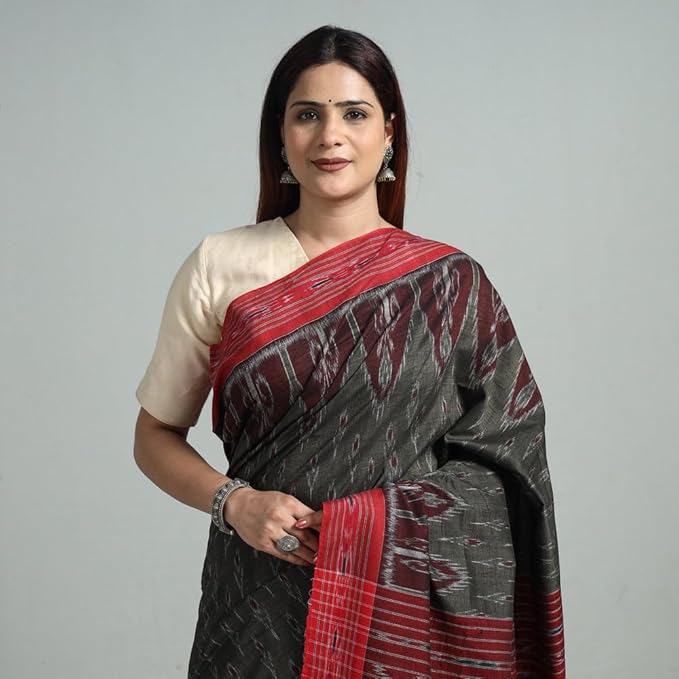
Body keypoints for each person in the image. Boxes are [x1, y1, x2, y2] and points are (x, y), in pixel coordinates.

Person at [133, 25, 565, 679]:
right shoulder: (220, 264)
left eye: (354, 114)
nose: (329, 135)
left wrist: (371, 525)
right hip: (254, 603)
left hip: (399, 617)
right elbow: (153, 436)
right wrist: (235, 503)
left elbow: (511, 464)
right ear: (281, 134)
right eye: (307, 114)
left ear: (388, 132)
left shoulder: (451, 284)